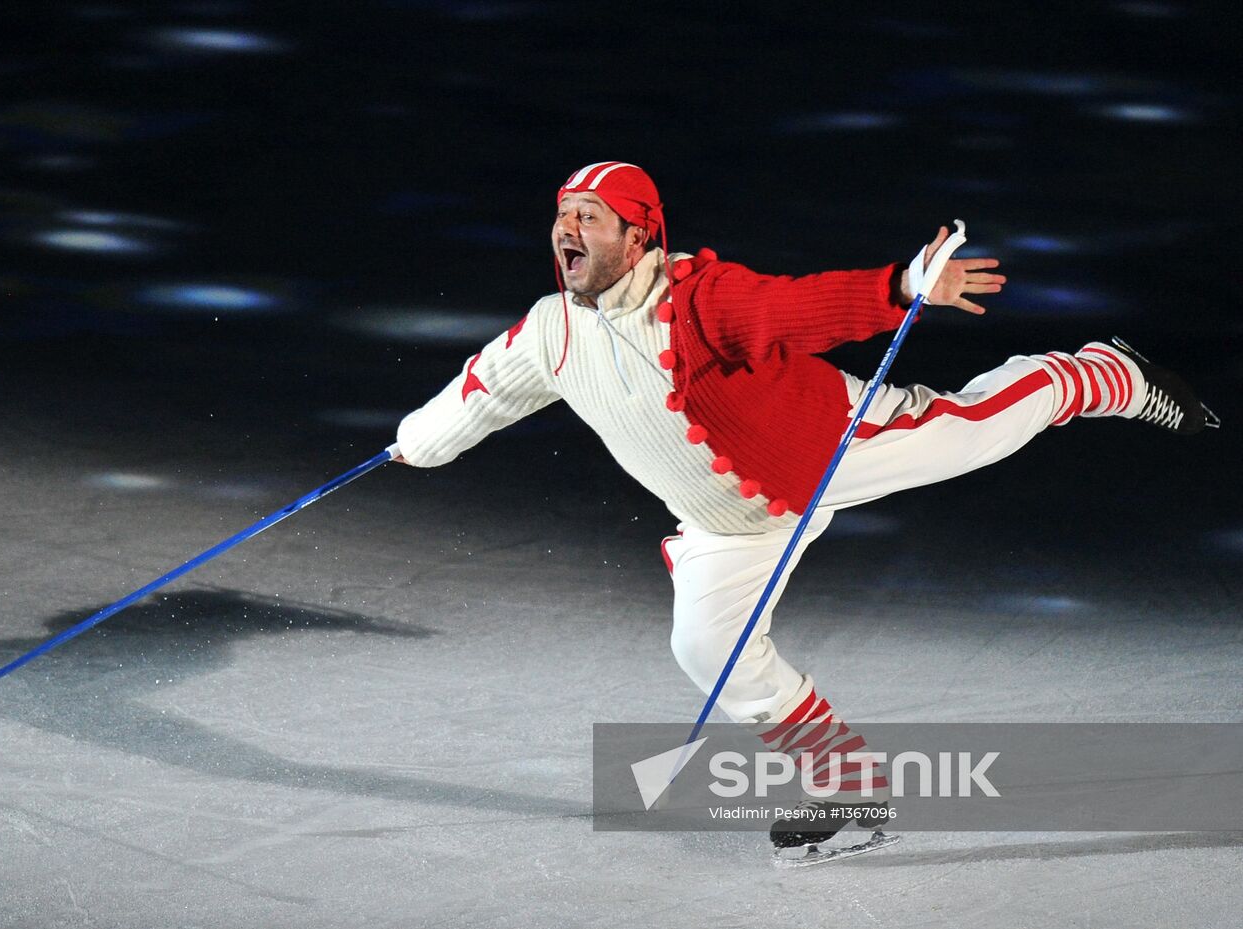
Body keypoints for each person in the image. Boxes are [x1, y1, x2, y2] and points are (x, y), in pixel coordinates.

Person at [393, 161, 1216, 850]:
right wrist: (414, 442)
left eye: (592, 217)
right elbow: (483, 390)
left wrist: (900, 286)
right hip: (728, 520)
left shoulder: (700, 300)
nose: (568, 230)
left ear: (641, 235)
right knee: (707, 647)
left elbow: (794, 307)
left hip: (825, 449)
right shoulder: (552, 332)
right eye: (563, 215)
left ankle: (1105, 372)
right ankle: (849, 789)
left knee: (977, 426)